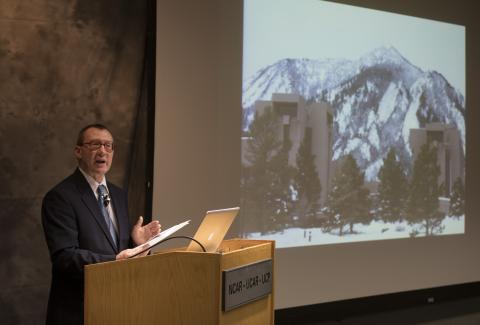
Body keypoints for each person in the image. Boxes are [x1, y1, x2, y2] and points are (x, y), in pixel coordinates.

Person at [41, 124, 161, 325]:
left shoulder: (119, 194)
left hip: (118, 307)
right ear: (78, 151)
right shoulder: (60, 197)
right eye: (95, 144)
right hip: (79, 312)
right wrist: (114, 259)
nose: (102, 151)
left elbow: (120, 252)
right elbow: (64, 257)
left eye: (108, 146)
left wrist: (136, 243)